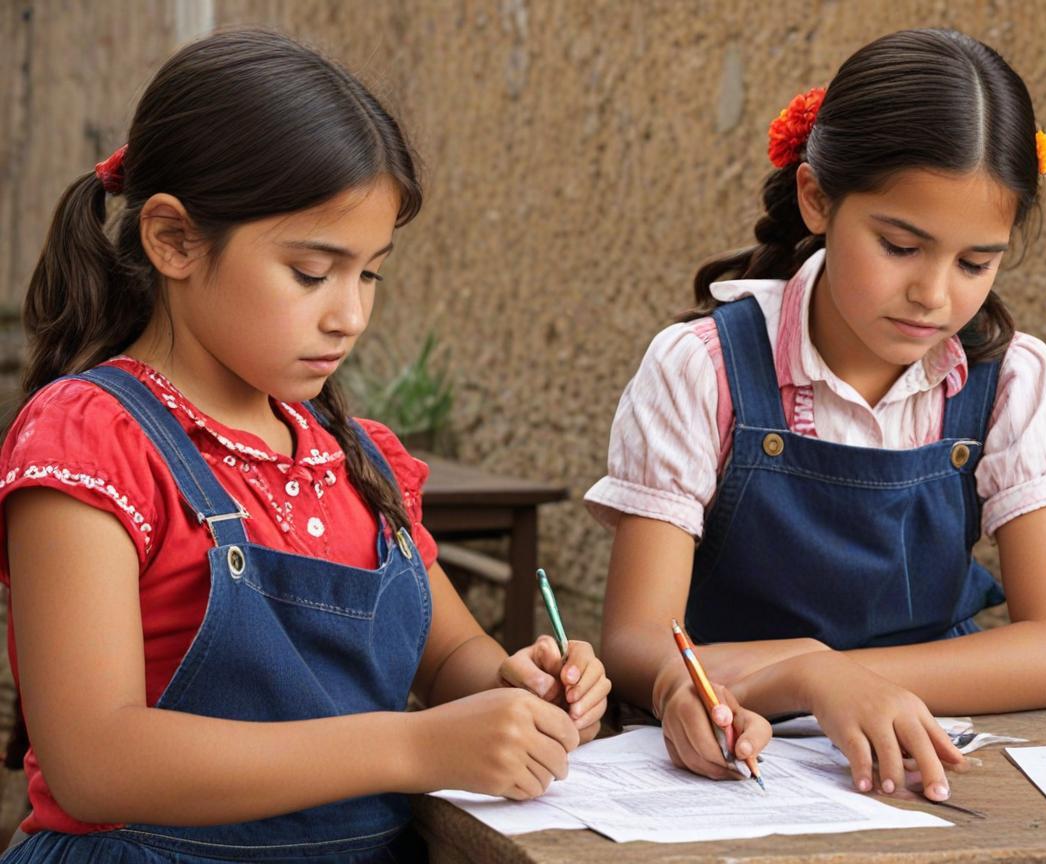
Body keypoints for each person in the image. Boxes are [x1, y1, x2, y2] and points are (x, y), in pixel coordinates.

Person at [0, 29, 607, 861]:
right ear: (173, 239)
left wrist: (521, 687)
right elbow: (94, 763)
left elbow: (453, 655)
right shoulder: (94, 440)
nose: (349, 315)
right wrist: (413, 746)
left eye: (370, 274)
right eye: (313, 273)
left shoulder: (356, 460)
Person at [590, 28, 1046, 804]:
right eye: (899, 246)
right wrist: (807, 680)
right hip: (732, 762)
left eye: (976, 262)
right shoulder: (704, 368)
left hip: (929, 762)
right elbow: (635, 641)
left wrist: (825, 677)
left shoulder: (1010, 380)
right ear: (817, 198)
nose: (934, 294)